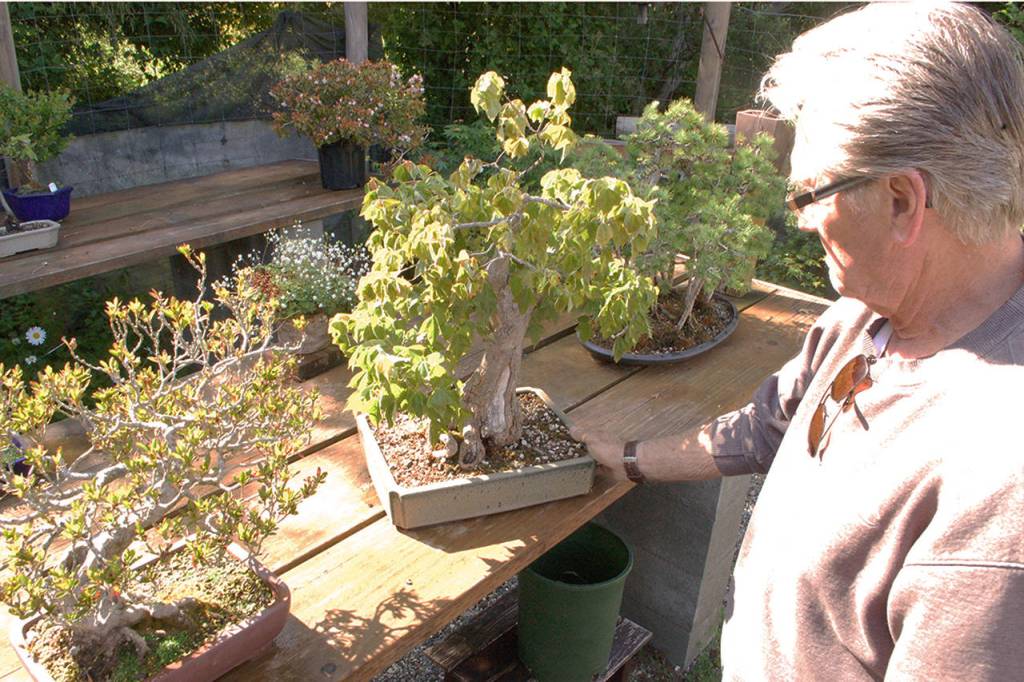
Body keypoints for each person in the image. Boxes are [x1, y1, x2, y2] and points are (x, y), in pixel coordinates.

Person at [573, 4, 1024, 679]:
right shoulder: (864, 318)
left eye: (812, 192)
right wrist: (626, 459)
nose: (804, 221)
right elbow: (771, 427)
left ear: (902, 201)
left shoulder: (998, 494)